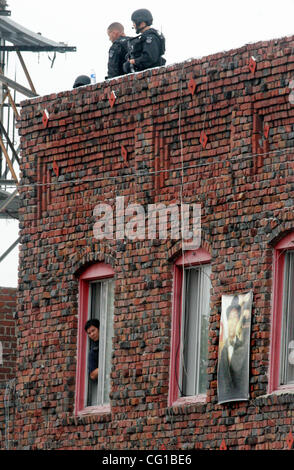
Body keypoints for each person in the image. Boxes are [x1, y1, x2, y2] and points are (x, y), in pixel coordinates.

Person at [217, 298, 251, 403]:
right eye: (230, 318)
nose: (232, 322)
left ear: (239, 321)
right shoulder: (223, 350)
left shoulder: (242, 348)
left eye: (235, 318)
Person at [123, 9, 166, 74]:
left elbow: (150, 58)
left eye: (134, 22)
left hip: (152, 75)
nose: (133, 25)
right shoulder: (145, 37)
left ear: (142, 23)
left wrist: (134, 61)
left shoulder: (150, 37)